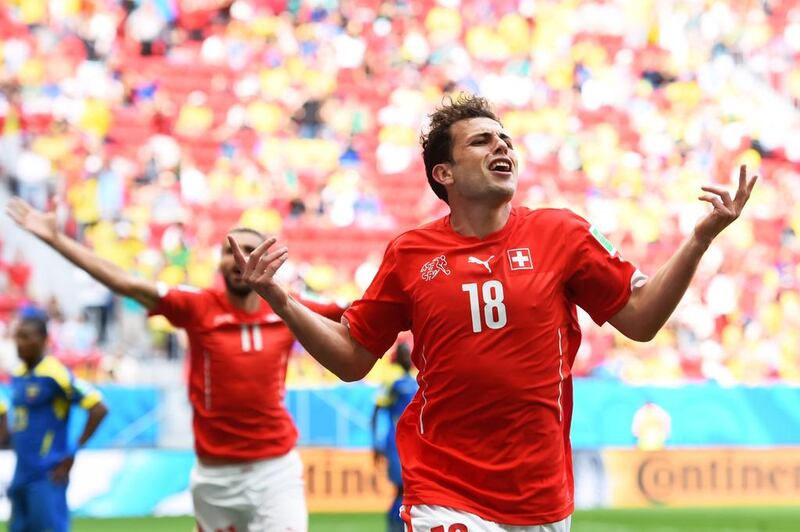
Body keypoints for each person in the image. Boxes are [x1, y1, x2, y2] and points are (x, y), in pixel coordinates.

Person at [229, 93, 757, 531]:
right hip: (444, 488)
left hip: (543, 498)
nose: (501, 145)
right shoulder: (410, 254)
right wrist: (279, 298)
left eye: (504, 138)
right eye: (481, 140)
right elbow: (351, 357)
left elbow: (640, 320)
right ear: (445, 173)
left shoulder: (562, 232)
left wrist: (699, 240)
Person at [6, 200, 345, 532]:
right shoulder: (198, 306)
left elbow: (360, 315)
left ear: (267, 261)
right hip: (215, 477)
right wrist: (56, 239)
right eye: (230, 251)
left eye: (248, 249)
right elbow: (126, 282)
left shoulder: (289, 309)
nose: (239, 258)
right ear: (218, 263)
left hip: (275, 471)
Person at [6, 316, 108, 532]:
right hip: (21, 471)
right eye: (17, 337)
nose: (20, 343)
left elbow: (99, 408)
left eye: (26, 337)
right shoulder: (18, 375)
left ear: (44, 340)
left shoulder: (55, 373)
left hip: (47, 473)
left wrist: (73, 451)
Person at [371, 341, 418, 532]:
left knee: (409, 490)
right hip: (395, 443)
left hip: (414, 444)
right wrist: (375, 443)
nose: (408, 357)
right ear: (398, 357)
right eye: (404, 354)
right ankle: (394, 527)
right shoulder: (392, 380)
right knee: (402, 489)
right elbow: (376, 410)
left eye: (409, 353)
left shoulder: (415, 379)